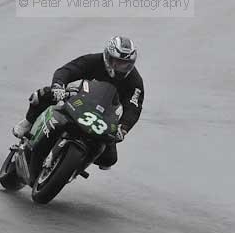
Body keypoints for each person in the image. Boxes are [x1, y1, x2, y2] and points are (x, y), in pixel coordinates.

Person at [12, 35, 144, 170]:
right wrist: (58, 86)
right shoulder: (92, 60)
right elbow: (68, 70)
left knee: (109, 159)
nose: (120, 67)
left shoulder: (135, 81)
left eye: (125, 64)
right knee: (42, 95)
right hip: (79, 100)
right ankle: (28, 122)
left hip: (103, 116)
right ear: (107, 56)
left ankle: (77, 165)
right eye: (117, 62)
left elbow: (134, 107)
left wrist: (124, 127)